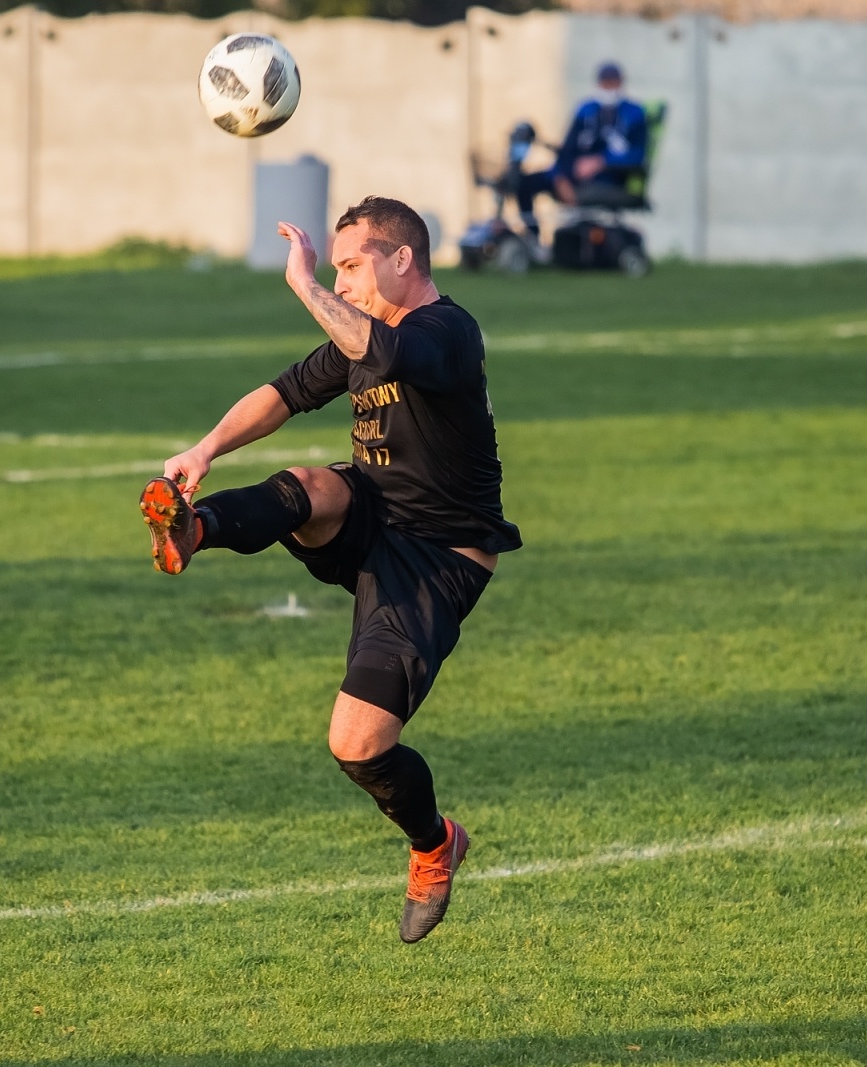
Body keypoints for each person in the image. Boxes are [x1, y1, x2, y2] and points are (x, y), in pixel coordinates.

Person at [137, 195, 522, 944]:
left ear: (403, 259)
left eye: (352, 266)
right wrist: (204, 450)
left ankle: (435, 843)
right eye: (335, 269)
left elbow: (386, 353)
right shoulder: (362, 336)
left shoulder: (447, 331)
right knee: (309, 484)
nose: (341, 283)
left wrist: (305, 284)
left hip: (436, 561)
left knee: (356, 744)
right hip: (372, 516)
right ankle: (194, 529)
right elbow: (283, 394)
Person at [515, 61, 650, 243]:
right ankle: (533, 240)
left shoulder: (634, 114)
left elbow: (638, 156)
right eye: (605, 83)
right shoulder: (586, 110)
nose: (609, 88)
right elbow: (567, 149)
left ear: (620, 83)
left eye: (613, 82)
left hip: (609, 180)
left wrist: (601, 162)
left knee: (587, 190)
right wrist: (560, 177)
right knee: (524, 183)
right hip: (571, 176)